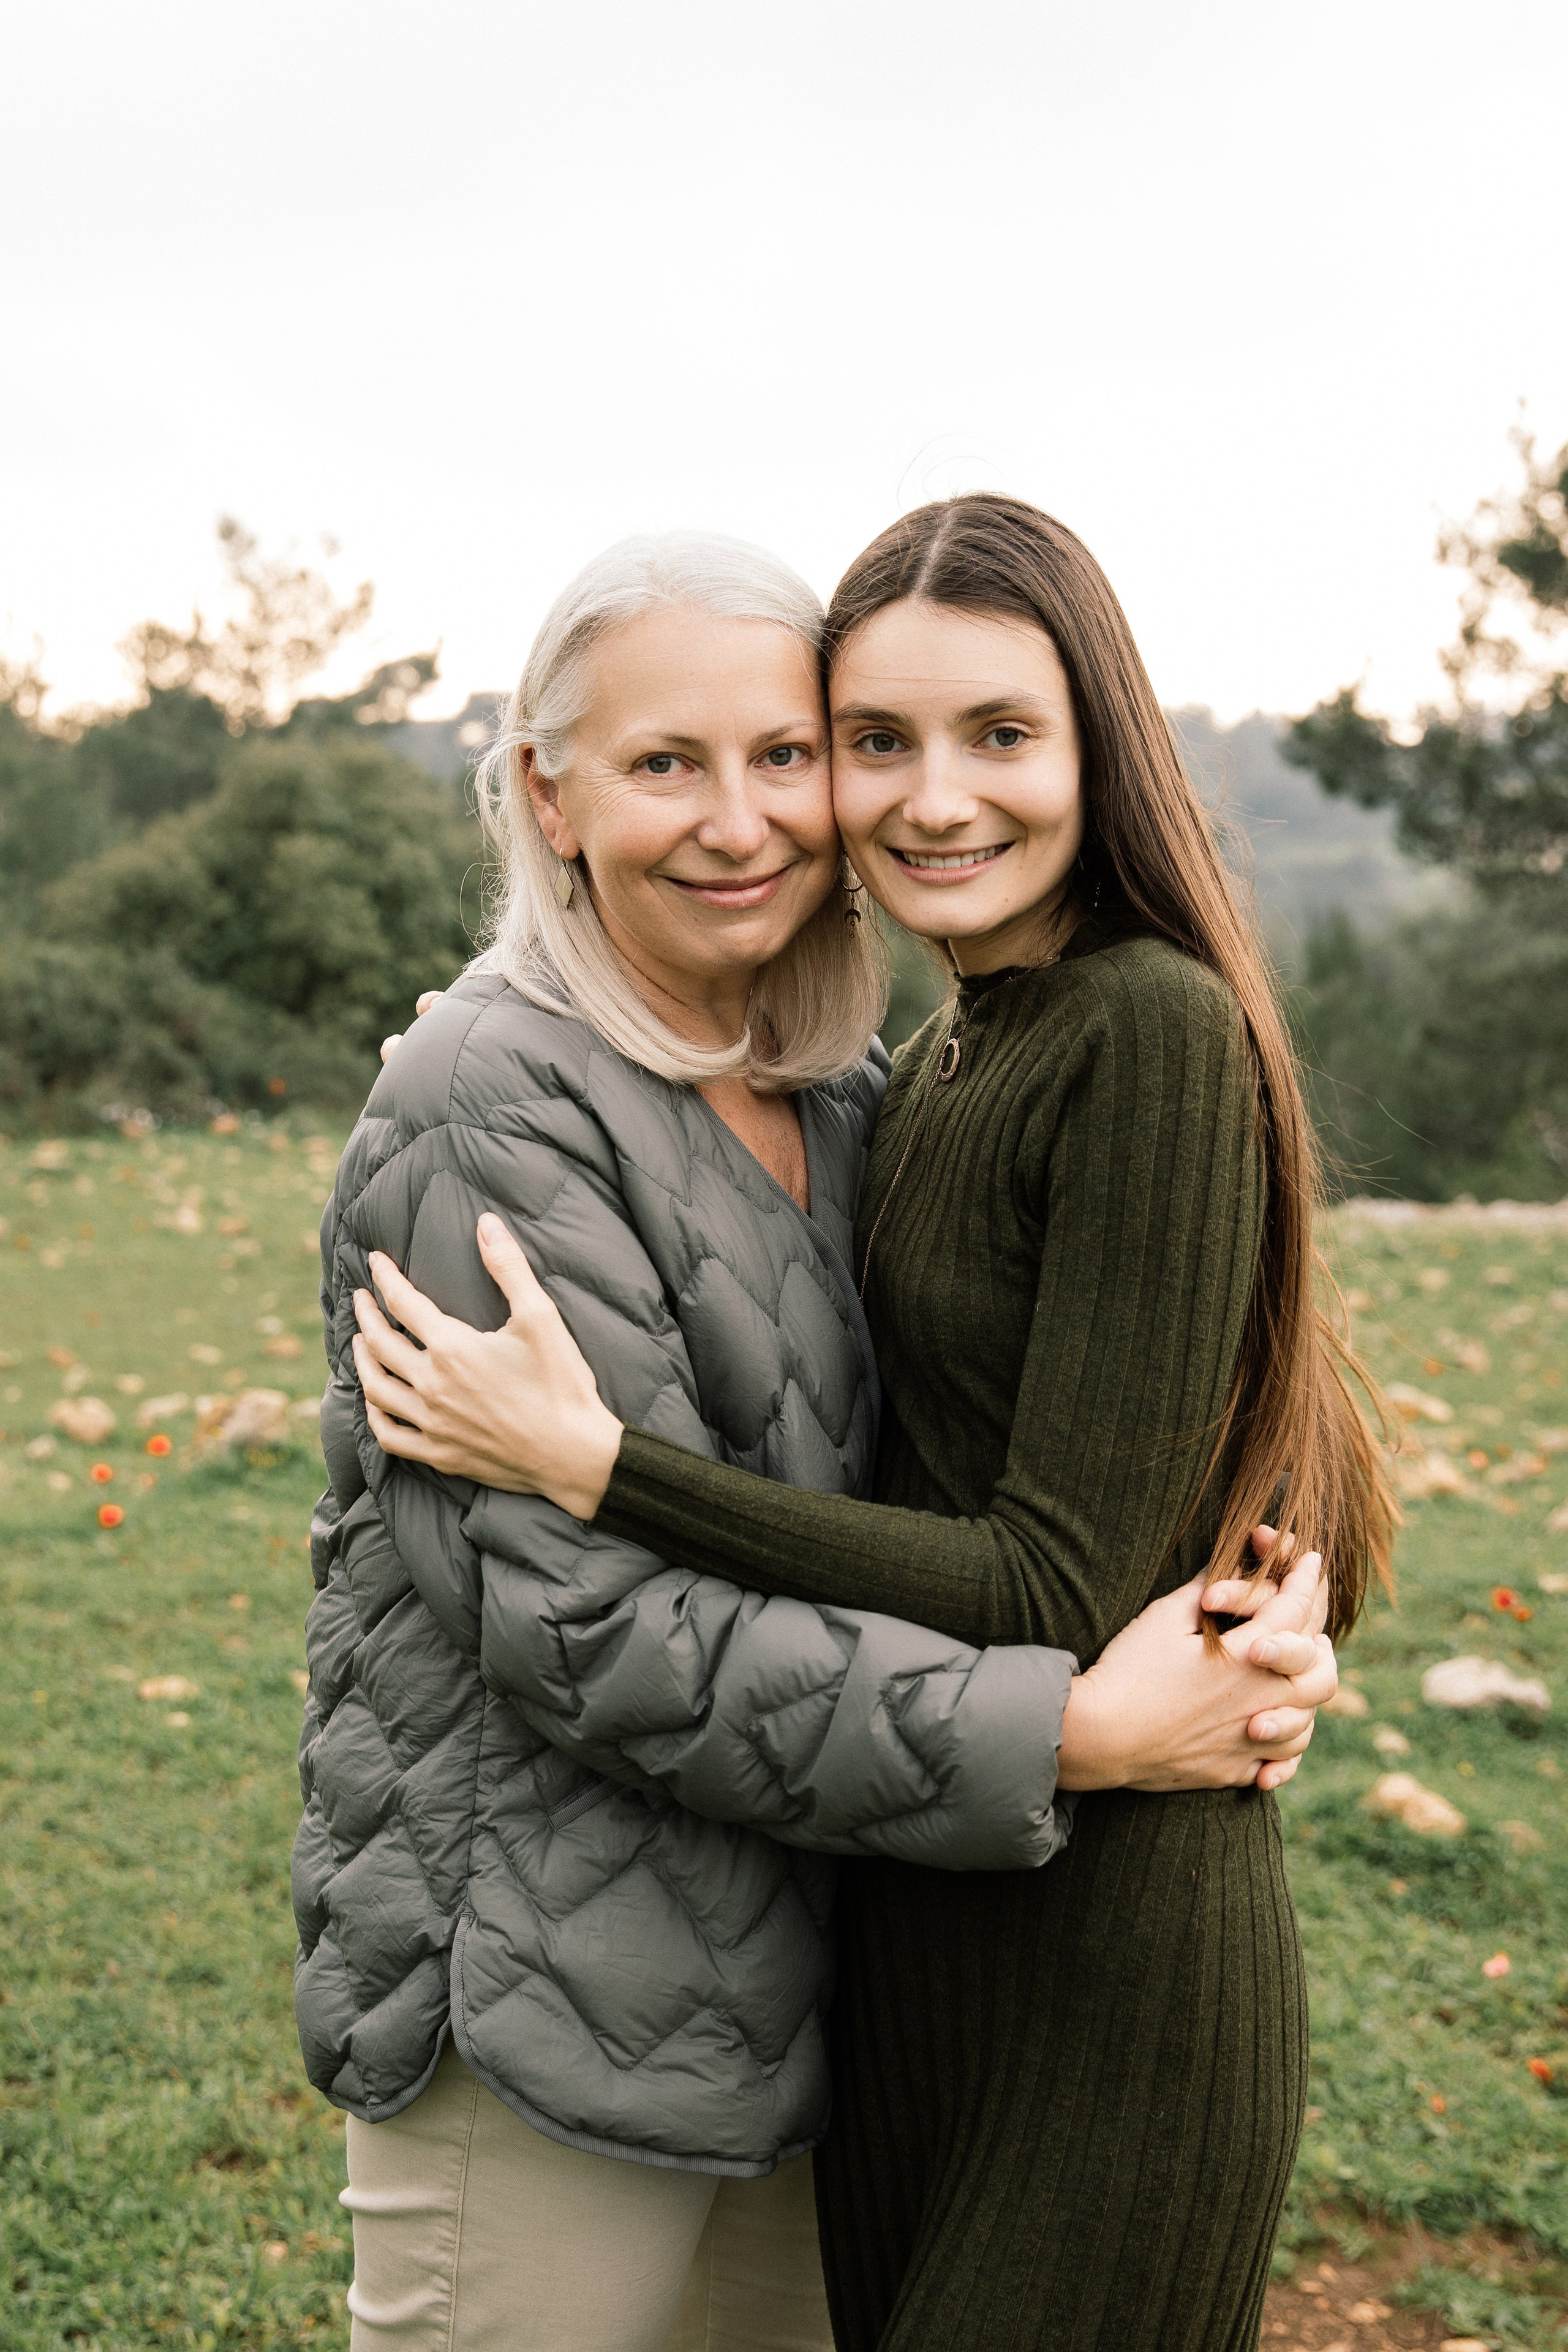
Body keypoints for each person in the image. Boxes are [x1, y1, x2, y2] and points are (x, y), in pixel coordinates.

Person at [353, 499, 1390, 2352]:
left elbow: (1076, 1472)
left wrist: (1263, 1596)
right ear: (549, 793)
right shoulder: (515, 1101)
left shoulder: (868, 1077)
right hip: (598, 1979)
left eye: (782, 754)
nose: (757, 818)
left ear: (1102, 749)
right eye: (674, 762)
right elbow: (596, 1626)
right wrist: (1071, 1727)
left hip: (927, 1945)